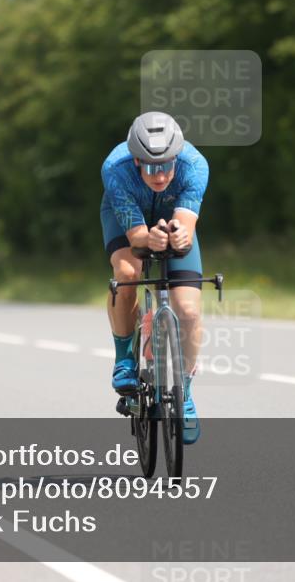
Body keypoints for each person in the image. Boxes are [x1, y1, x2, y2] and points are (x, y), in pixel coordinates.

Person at [100, 111, 209, 444]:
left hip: (171, 219)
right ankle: (124, 358)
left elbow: (186, 228)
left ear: (177, 157)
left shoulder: (195, 166)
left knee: (188, 311)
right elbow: (136, 238)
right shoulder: (115, 169)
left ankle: (185, 393)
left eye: (166, 166)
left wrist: (178, 237)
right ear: (135, 160)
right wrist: (148, 239)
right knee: (127, 272)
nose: (159, 176)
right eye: (149, 167)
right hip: (126, 219)